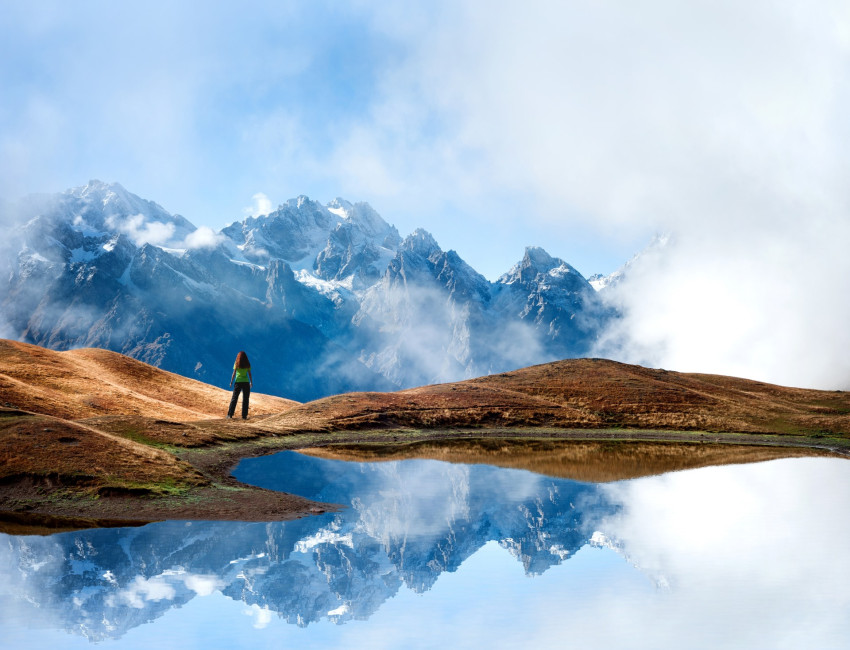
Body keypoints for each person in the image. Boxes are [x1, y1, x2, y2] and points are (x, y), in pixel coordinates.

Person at [227, 350, 253, 419]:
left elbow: (234, 373)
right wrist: (251, 382)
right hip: (246, 382)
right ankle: (244, 416)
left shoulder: (236, 363)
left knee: (234, 398)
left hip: (238, 382)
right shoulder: (247, 363)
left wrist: (231, 382)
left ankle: (230, 414)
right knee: (245, 399)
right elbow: (249, 374)